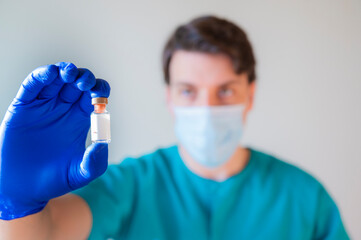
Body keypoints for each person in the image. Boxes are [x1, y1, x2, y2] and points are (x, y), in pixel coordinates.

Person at [0, 16, 349, 240]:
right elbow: (51, 232)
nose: (207, 109)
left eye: (225, 90)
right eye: (188, 91)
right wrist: (17, 202)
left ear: (250, 94)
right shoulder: (131, 185)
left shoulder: (305, 197)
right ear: (169, 97)